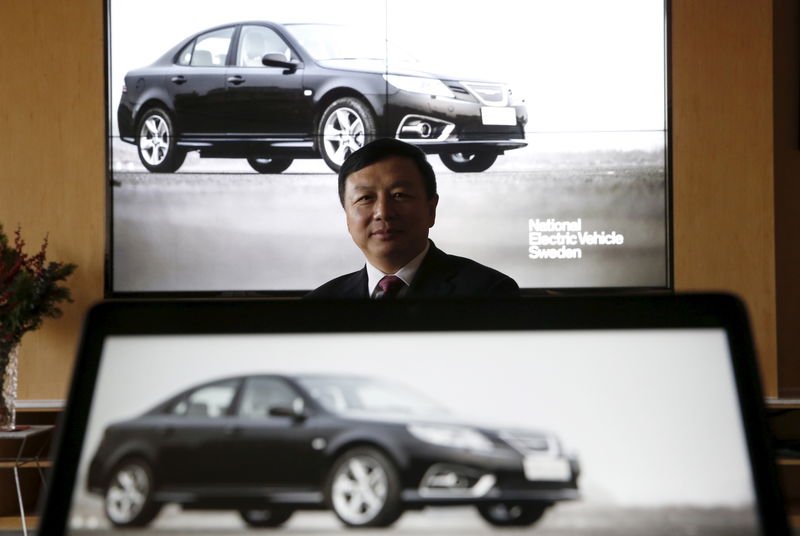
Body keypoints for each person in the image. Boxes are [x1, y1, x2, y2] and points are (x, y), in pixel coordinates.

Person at [306, 138, 519, 299]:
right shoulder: (318, 304)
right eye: (365, 198)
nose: (383, 212)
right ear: (346, 216)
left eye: (399, 195)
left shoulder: (489, 292)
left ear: (431, 209)